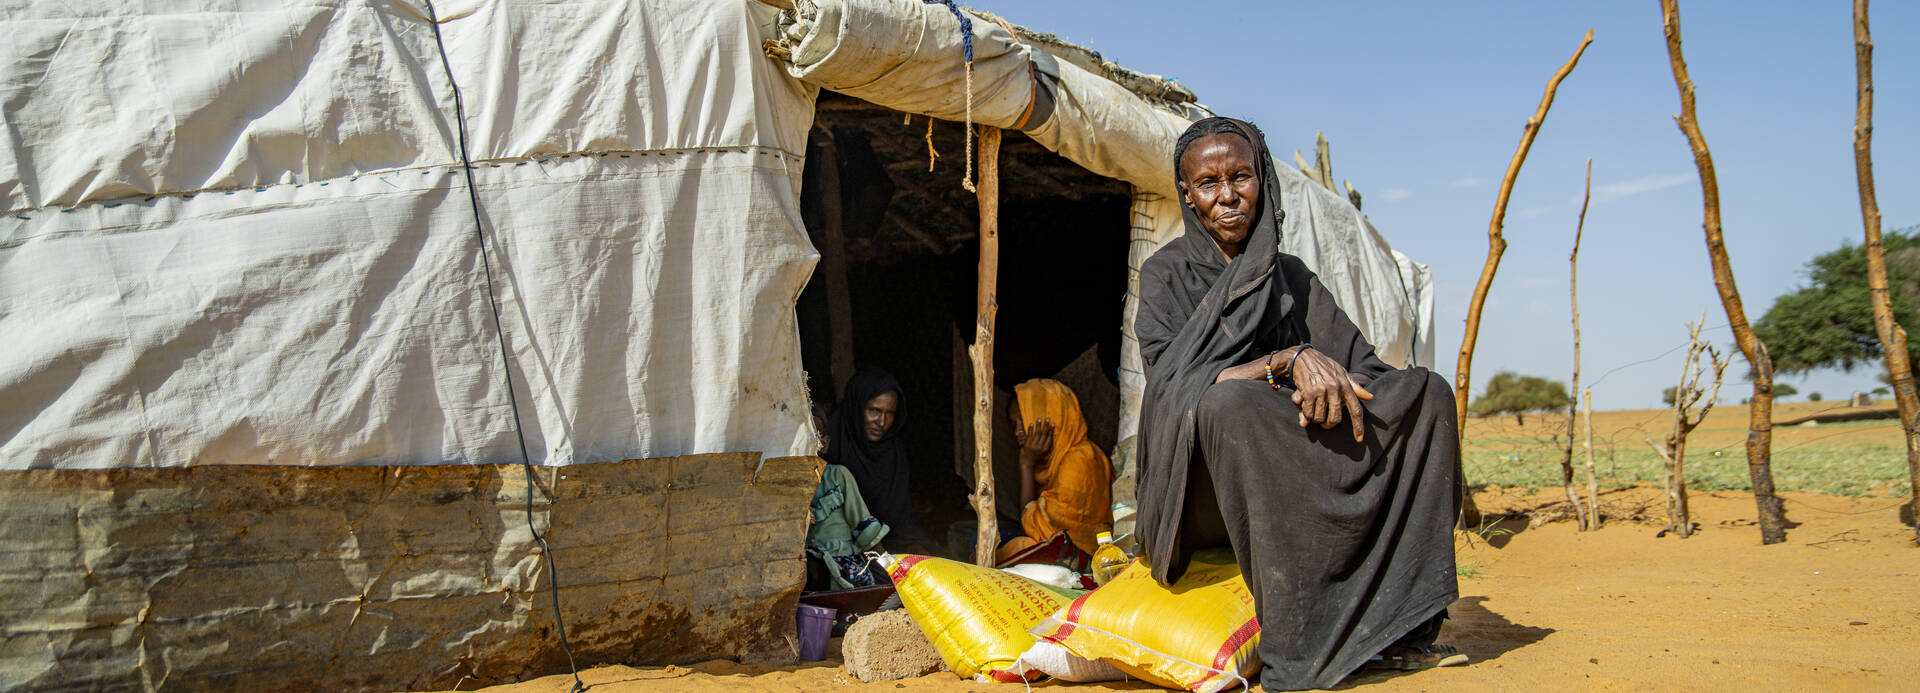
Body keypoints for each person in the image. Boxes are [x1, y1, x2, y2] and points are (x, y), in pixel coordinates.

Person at [1134, 117, 1464, 690]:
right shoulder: (1167, 274)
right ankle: (1298, 648)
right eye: (1209, 183)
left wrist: (1326, 386)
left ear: (1262, 180)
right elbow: (1172, 389)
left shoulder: (1289, 276)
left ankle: (1402, 630)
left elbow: (1367, 370)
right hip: (1204, 487)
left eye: (1240, 177)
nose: (1227, 195)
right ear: (1187, 194)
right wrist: (1287, 363)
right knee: (1230, 405)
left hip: (1293, 456)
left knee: (1427, 393)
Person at [995, 379, 1113, 564]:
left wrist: (1026, 464)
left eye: (1023, 420)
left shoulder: (1081, 459)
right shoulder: (1050, 463)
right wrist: (1027, 464)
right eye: (1013, 425)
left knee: (1019, 547)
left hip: (1087, 560)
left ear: (1051, 417)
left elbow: (1044, 535)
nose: (1017, 432)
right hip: (1062, 556)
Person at [823, 367, 933, 551]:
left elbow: (900, 519)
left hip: (885, 543)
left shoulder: (894, 453)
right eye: (874, 410)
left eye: (890, 413)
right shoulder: (830, 443)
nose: (881, 422)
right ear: (857, 407)